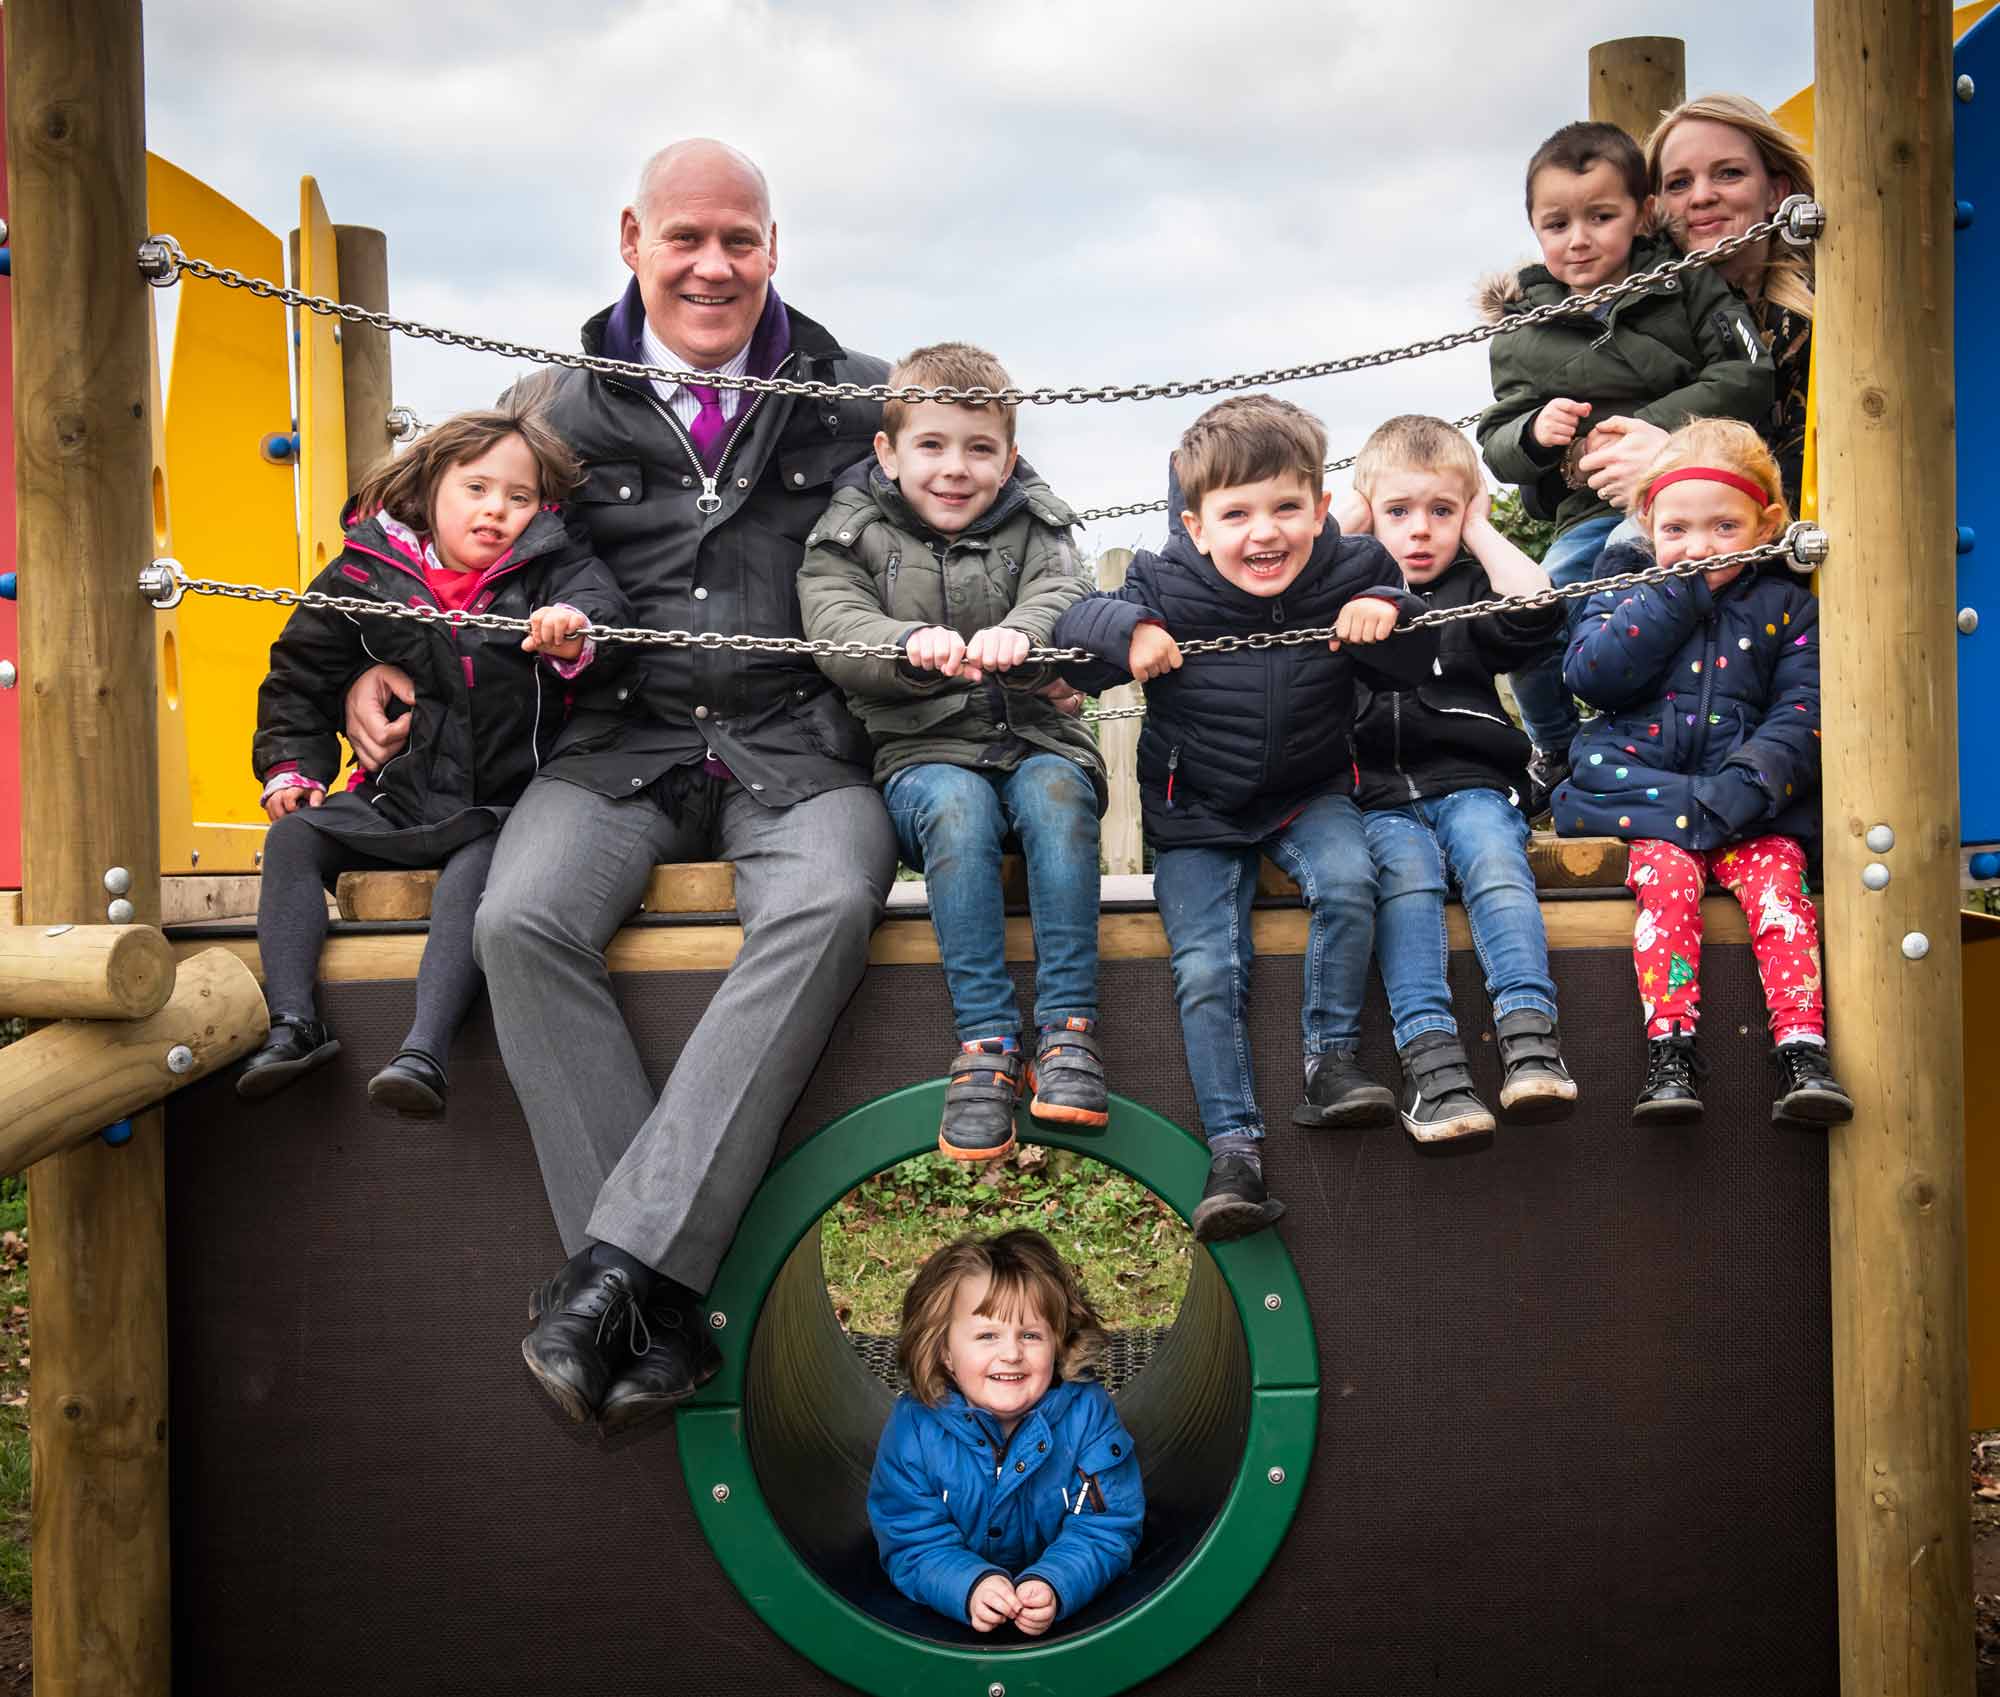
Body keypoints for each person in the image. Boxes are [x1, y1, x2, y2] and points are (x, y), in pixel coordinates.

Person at [341, 140, 894, 1434]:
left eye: (740, 240)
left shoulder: (857, 396)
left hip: (798, 745)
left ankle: (608, 1282)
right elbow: (417, 535)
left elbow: (974, 514)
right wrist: (359, 669)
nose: (714, 265)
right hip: (614, 742)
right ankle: (651, 1306)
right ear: (631, 238)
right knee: (517, 918)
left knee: (824, 904)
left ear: (774, 245)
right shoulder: (550, 408)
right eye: (686, 238)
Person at [1053, 395, 1439, 1242]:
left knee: (1349, 880)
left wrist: (1391, 616)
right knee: (1205, 966)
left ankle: (1330, 1063)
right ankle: (1233, 1152)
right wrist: (1133, 626)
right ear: (1194, 525)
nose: (1265, 533)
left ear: (1320, 505)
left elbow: (1415, 662)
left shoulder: (1352, 567)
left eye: (1286, 508)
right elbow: (1075, 626)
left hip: (1309, 790)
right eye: (1236, 514)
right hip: (1194, 807)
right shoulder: (1168, 579)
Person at [238, 407, 624, 1115]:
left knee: (481, 865)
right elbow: (300, 673)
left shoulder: (550, 571)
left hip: (496, 804)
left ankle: (425, 1046)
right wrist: (292, 768)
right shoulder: (369, 571)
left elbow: (601, 612)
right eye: (475, 489)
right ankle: (292, 1020)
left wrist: (572, 633)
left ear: (544, 509)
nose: (496, 511)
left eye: (519, 498)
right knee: (293, 838)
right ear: (428, 491)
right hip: (398, 796)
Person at [798, 343, 1105, 1162]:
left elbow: (1065, 588)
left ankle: (1070, 1028)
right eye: (931, 446)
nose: (955, 469)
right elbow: (833, 623)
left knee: (1059, 797)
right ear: (887, 452)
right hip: (922, 749)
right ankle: (987, 1043)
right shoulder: (848, 535)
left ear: (1008, 459)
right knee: (958, 809)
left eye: (979, 449)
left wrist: (1024, 634)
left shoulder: (1039, 523)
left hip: (1034, 735)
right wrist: (905, 643)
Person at [1552, 418, 1852, 1128]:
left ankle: (1801, 1047)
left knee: (1782, 892)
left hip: (1744, 809)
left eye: (1724, 526)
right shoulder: (1625, 589)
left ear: (1766, 524)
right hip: (1650, 805)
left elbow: (1800, 716)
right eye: (1678, 528)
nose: (1698, 546)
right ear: (1647, 521)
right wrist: (1674, 593)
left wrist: (1740, 792)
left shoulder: (1789, 609)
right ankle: (1671, 1050)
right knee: (1667, 891)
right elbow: (1591, 676)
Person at [1479, 120, 1774, 804]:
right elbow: (1496, 438)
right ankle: (1553, 744)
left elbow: (1746, 374)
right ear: (1534, 227)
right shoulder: (1523, 330)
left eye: (1600, 216)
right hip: (1588, 511)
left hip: (1687, 501)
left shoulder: (1688, 286)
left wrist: (1656, 427)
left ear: (1643, 215)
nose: (1578, 238)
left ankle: (1640, 732)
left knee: (1633, 572)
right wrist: (1533, 432)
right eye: (1556, 224)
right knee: (1534, 608)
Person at [1335, 416, 1577, 1146]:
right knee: (1403, 882)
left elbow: (1538, 610)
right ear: (1367, 511)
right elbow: (1287, 582)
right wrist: (1346, 527)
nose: (1419, 531)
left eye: (1441, 511)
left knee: (1496, 863)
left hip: (1472, 777)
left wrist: (1480, 528)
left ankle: (1530, 1037)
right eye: (1398, 511)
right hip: (1375, 793)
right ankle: (1434, 1067)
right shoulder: (1341, 590)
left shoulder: (1474, 591)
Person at [867, 1229, 1142, 1635]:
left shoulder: (1087, 1416)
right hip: (955, 1612)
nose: (1011, 1353)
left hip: (1056, 1597)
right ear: (944, 1351)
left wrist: (1055, 1581)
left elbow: (1108, 1526)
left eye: (1030, 1335)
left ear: (1058, 1343)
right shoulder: (917, 1426)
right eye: (987, 1336)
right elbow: (910, 1537)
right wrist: (968, 1583)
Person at [1579, 94, 1817, 517]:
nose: (1702, 196)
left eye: (1729, 174)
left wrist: (1674, 462)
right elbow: (1545, 489)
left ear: (1776, 191)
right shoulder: (1623, 313)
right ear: (1652, 208)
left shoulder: (1813, 320)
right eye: (1679, 183)